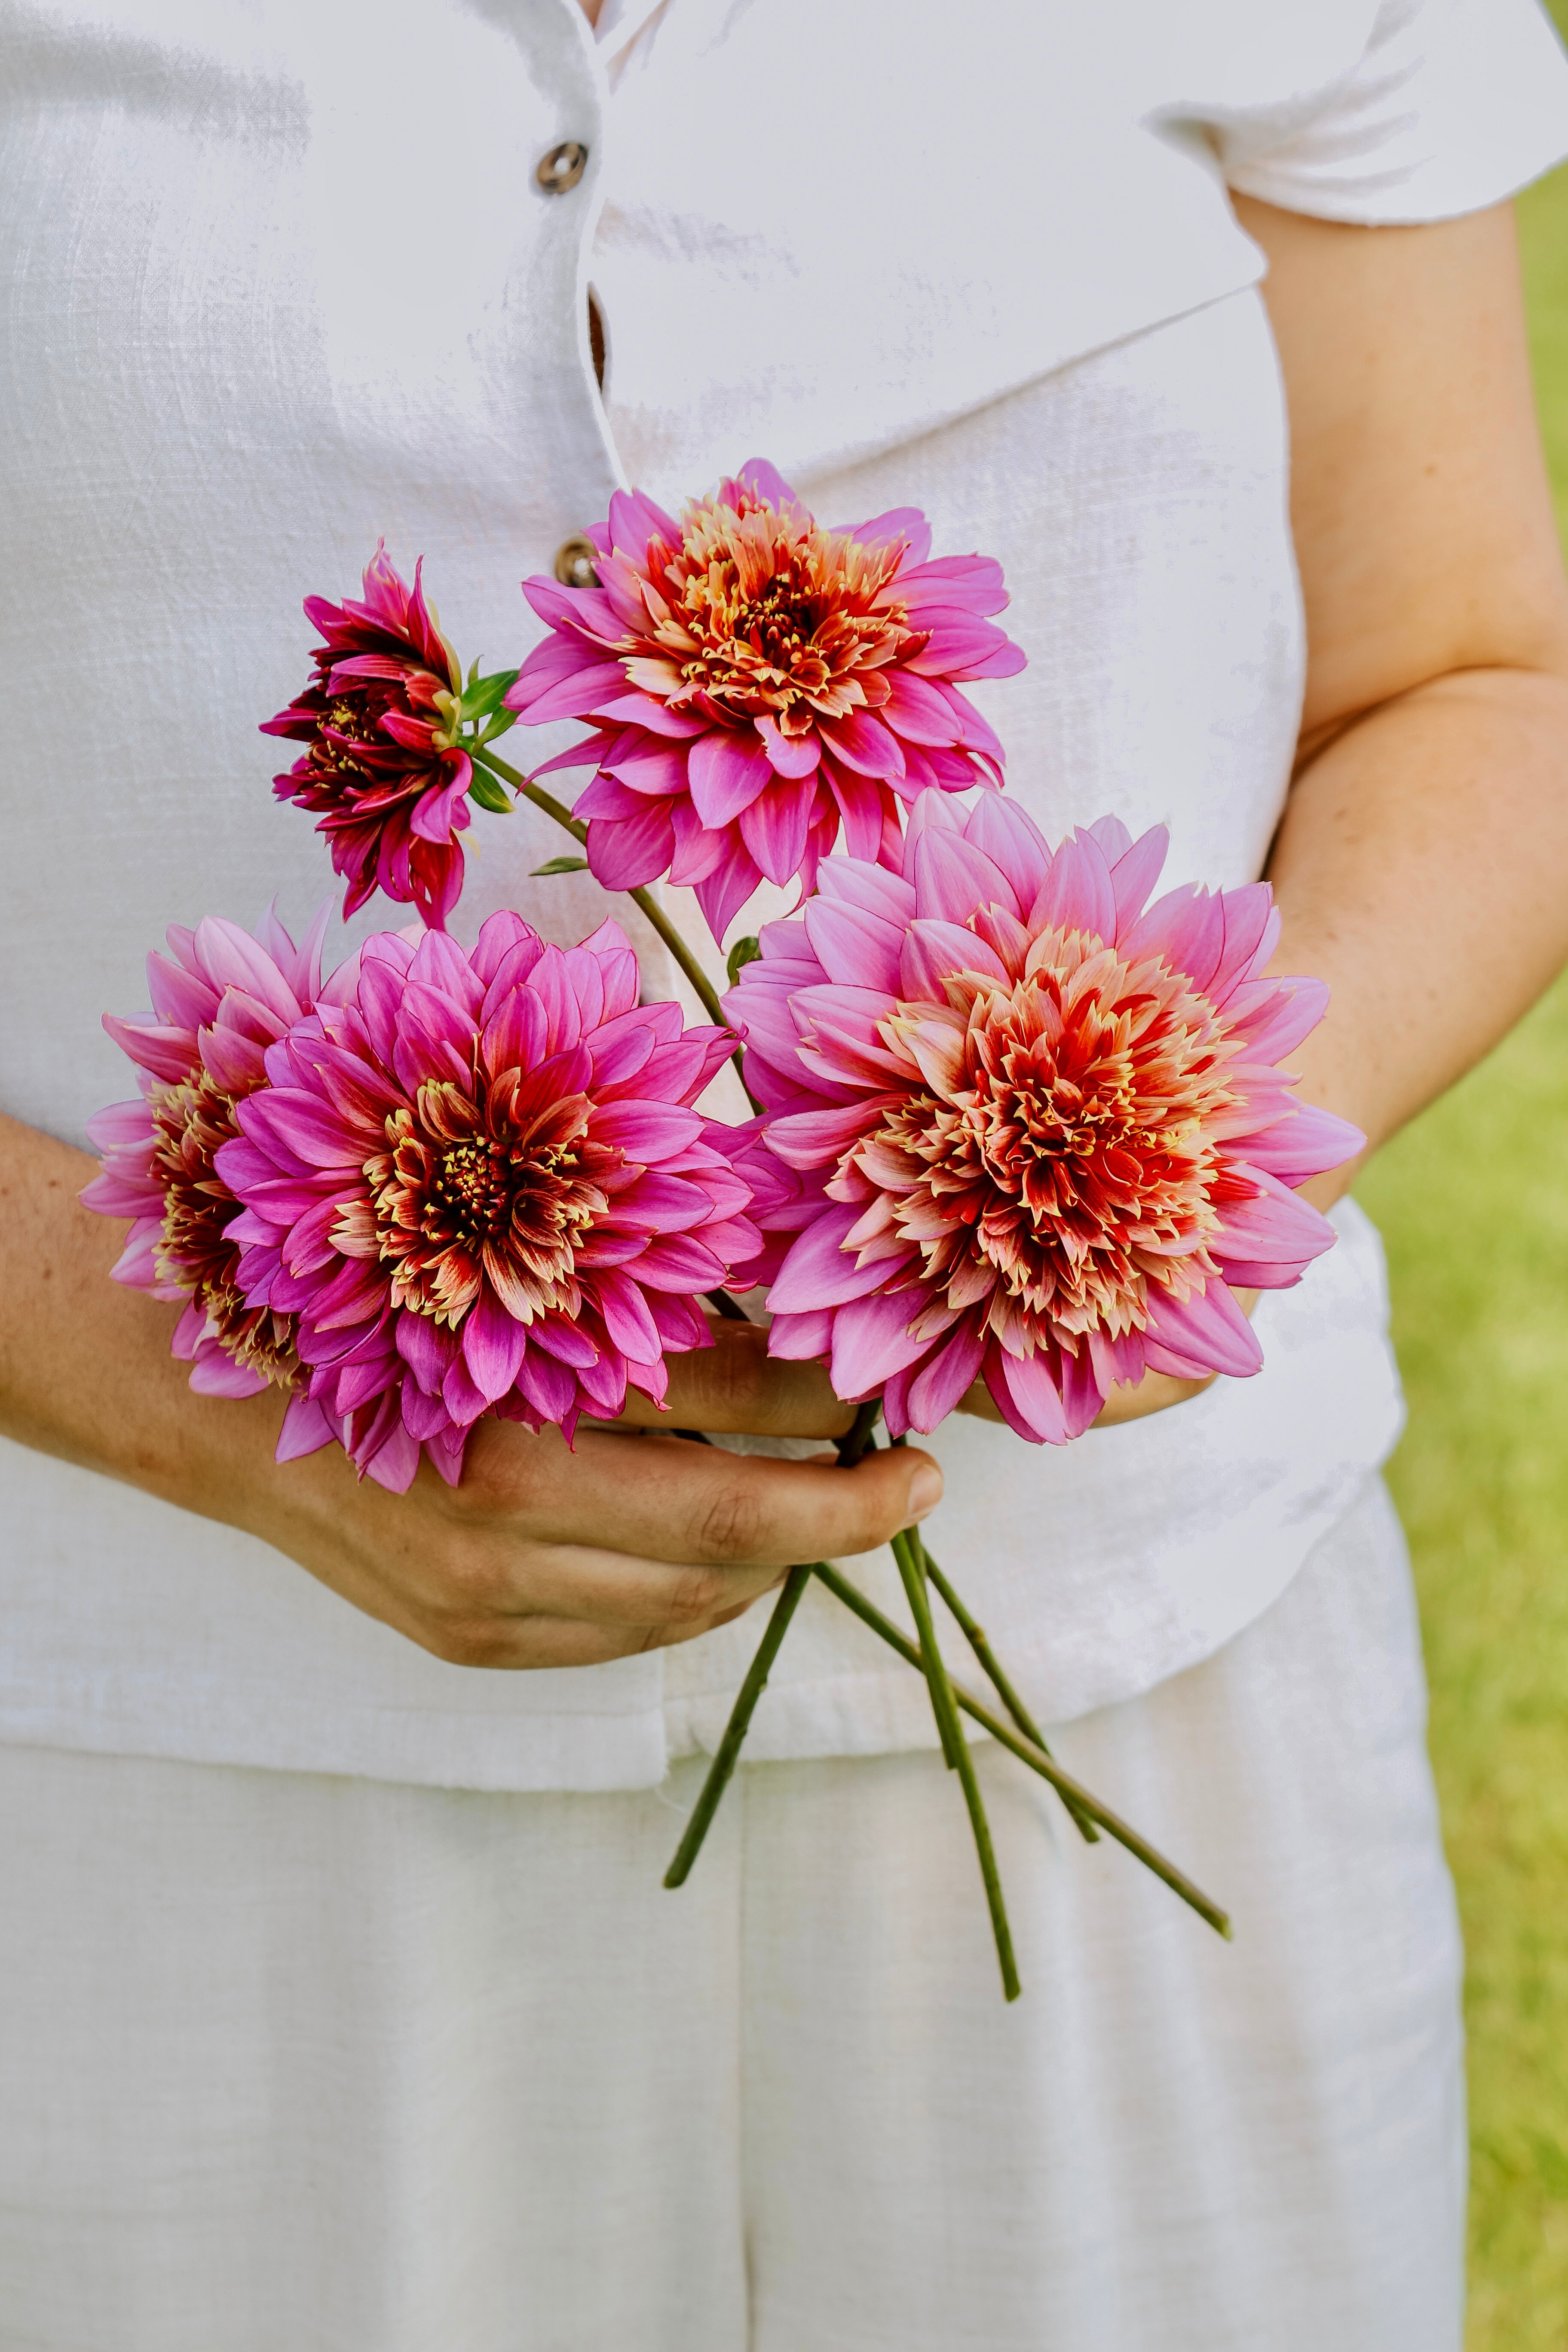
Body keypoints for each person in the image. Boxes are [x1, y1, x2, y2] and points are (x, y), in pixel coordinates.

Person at [4, 0, 1568, 2343]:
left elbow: (1469, 675)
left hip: (1125, 1667)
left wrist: (1124, 1153)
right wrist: (175, 1375)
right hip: (172, 1742)